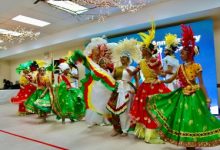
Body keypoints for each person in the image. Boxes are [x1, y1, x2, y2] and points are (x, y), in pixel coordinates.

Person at [147, 25, 220, 150]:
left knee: (196, 119)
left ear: (190, 54)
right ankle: (188, 143)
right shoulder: (180, 67)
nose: (181, 54)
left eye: (183, 53)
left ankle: (193, 142)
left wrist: (208, 99)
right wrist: (159, 80)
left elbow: (201, 83)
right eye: (180, 53)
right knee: (184, 120)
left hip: (195, 96)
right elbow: (170, 78)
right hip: (182, 96)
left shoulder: (197, 66)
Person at [129, 23, 171, 143]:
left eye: (142, 50)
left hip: (153, 86)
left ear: (147, 51)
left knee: (154, 108)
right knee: (145, 109)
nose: (141, 51)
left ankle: (154, 131)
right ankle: (148, 132)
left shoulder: (154, 61)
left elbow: (160, 73)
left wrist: (168, 73)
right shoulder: (141, 62)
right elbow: (134, 73)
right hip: (146, 86)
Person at [106, 39, 140, 136]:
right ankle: (117, 128)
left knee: (126, 110)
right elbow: (111, 79)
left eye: (124, 57)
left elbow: (137, 80)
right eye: (121, 57)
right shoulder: (117, 68)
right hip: (117, 91)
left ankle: (125, 129)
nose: (122, 59)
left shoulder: (132, 68)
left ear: (128, 59)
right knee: (115, 111)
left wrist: (137, 90)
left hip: (127, 90)